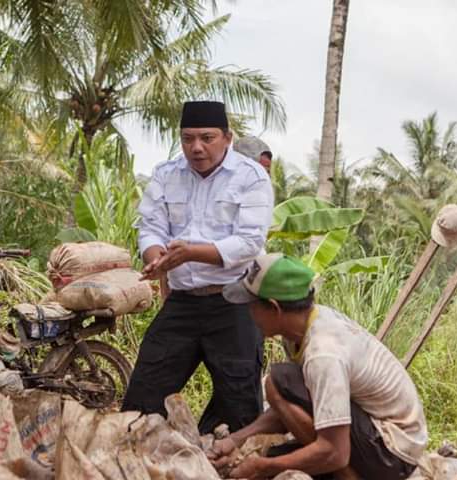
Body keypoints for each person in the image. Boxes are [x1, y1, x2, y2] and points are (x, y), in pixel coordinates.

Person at [121, 100, 274, 434]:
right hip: (183, 303)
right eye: (188, 138)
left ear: (227, 138)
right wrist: (156, 258)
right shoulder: (165, 174)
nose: (197, 147)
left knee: (240, 411)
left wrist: (190, 253)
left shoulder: (251, 178)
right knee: (141, 402)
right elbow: (150, 228)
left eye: (207, 137)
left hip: (234, 304)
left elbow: (249, 242)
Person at [209, 253, 428, 479]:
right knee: (276, 449)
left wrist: (263, 467)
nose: (249, 313)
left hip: (392, 453)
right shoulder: (302, 327)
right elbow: (287, 408)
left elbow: (336, 453)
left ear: (274, 308)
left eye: (252, 305)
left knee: (276, 383)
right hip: (379, 439)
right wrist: (237, 439)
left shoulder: (323, 354)